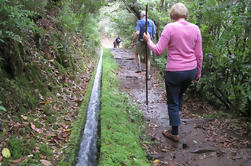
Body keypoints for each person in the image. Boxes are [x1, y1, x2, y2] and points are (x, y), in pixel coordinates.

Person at [143, 3, 203, 142]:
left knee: (172, 102)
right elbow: (199, 54)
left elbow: (158, 51)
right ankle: (177, 114)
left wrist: (148, 41)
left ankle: (174, 132)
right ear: (185, 14)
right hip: (190, 70)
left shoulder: (170, 27)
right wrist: (198, 73)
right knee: (180, 93)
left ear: (172, 15)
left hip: (175, 71)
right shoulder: (195, 28)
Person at [131, 11, 156, 79]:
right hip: (148, 42)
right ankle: (147, 75)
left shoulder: (139, 22)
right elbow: (153, 35)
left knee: (136, 53)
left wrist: (133, 41)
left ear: (141, 16)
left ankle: (139, 67)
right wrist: (150, 40)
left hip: (140, 41)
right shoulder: (152, 22)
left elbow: (137, 33)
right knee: (147, 58)